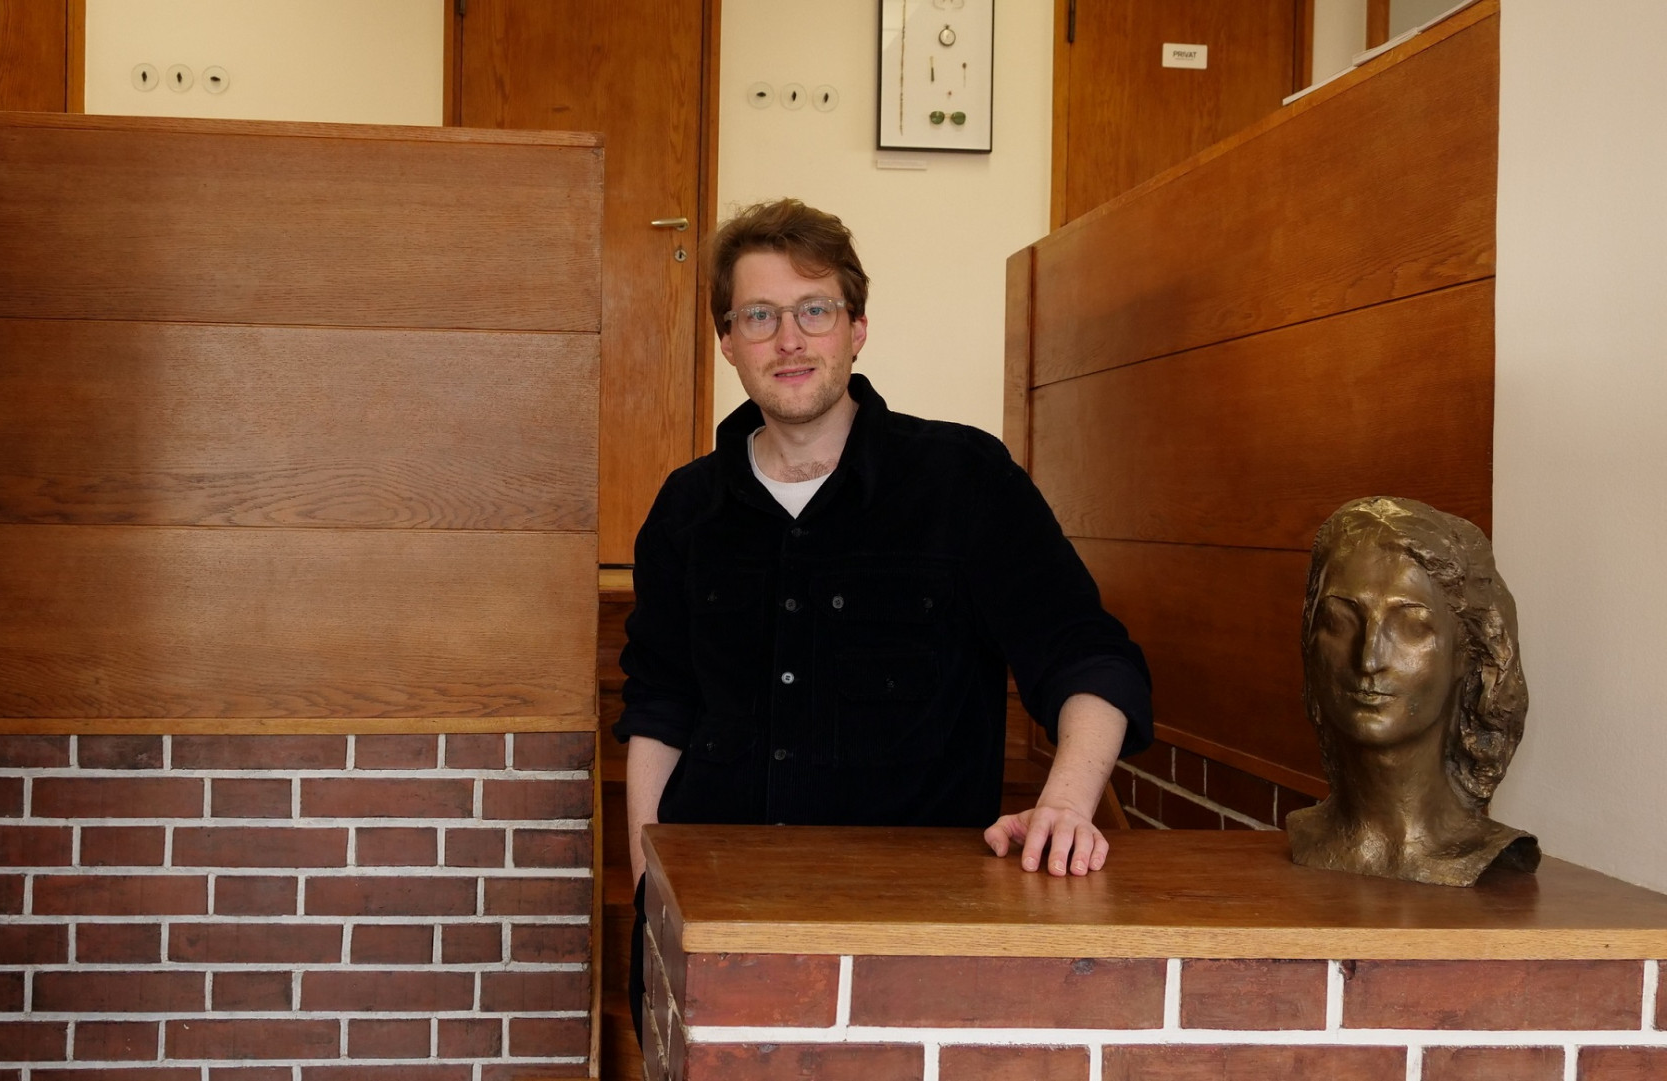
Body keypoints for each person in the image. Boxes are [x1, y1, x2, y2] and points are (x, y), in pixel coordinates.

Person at [613, 199, 1153, 1036]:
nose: (788, 339)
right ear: (727, 341)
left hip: (916, 936)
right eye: (759, 316)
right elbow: (660, 708)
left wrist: (1067, 805)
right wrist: (653, 886)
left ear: (857, 328)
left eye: (814, 310)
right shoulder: (686, 507)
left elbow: (1086, 655)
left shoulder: (964, 480)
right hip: (717, 920)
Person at [1287, 496, 1539, 886]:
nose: (1369, 659)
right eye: (1341, 619)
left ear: (1466, 654)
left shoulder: (1476, 854)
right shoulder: (1309, 837)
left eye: (1411, 626)